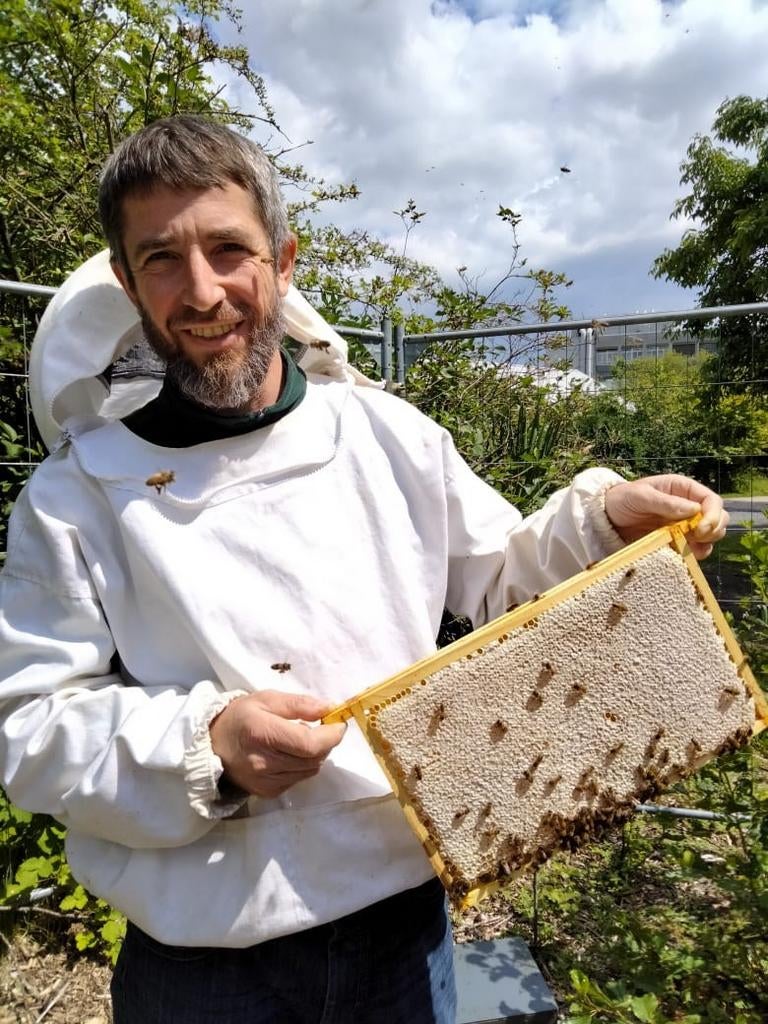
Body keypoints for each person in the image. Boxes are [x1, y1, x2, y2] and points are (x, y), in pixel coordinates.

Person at [0, 116, 728, 1024]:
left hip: (403, 930)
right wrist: (209, 745)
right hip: (201, 967)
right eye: (161, 259)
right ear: (125, 283)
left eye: (231, 250)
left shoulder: (391, 437)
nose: (203, 291)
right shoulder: (73, 499)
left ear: (284, 261)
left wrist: (603, 523)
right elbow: (28, 729)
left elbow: (503, 575)